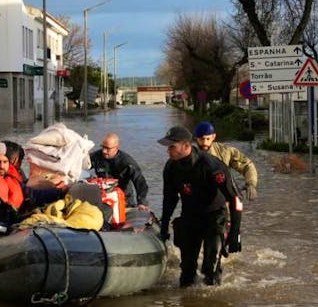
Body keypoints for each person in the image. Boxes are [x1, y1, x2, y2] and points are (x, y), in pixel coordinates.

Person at [158, 125, 243, 286]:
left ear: (186, 146)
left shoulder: (211, 165)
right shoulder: (170, 168)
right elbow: (169, 200)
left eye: (171, 146)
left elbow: (235, 199)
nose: (167, 150)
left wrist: (235, 233)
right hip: (190, 217)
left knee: (210, 271)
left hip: (214, 216)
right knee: (187, 274)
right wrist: (163, 227)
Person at [0, 141, 66, 247]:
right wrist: (7, 229)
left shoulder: (11, 178)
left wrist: (60, 192)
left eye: (5, 162)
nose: (1, 166)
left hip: (11, 227)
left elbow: (33, 194)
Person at [193, 121, 259, 201]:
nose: (205, 142)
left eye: (208, 139)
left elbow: (247, 166)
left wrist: (251, 184)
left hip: (224, 200)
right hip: (199, 201)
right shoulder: (190, 154)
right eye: (201, 139)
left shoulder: (225, 152)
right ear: (196, 138)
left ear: (213, 137)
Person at [89, 132, 150, 212]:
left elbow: (140, 182)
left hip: (124, 201)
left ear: (116, 148)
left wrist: (142, 202)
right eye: (103, 147)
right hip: (103, 199)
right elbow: (79, 165)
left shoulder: (127, 162)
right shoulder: (96, 156)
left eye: (107, 148)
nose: (104, 151)